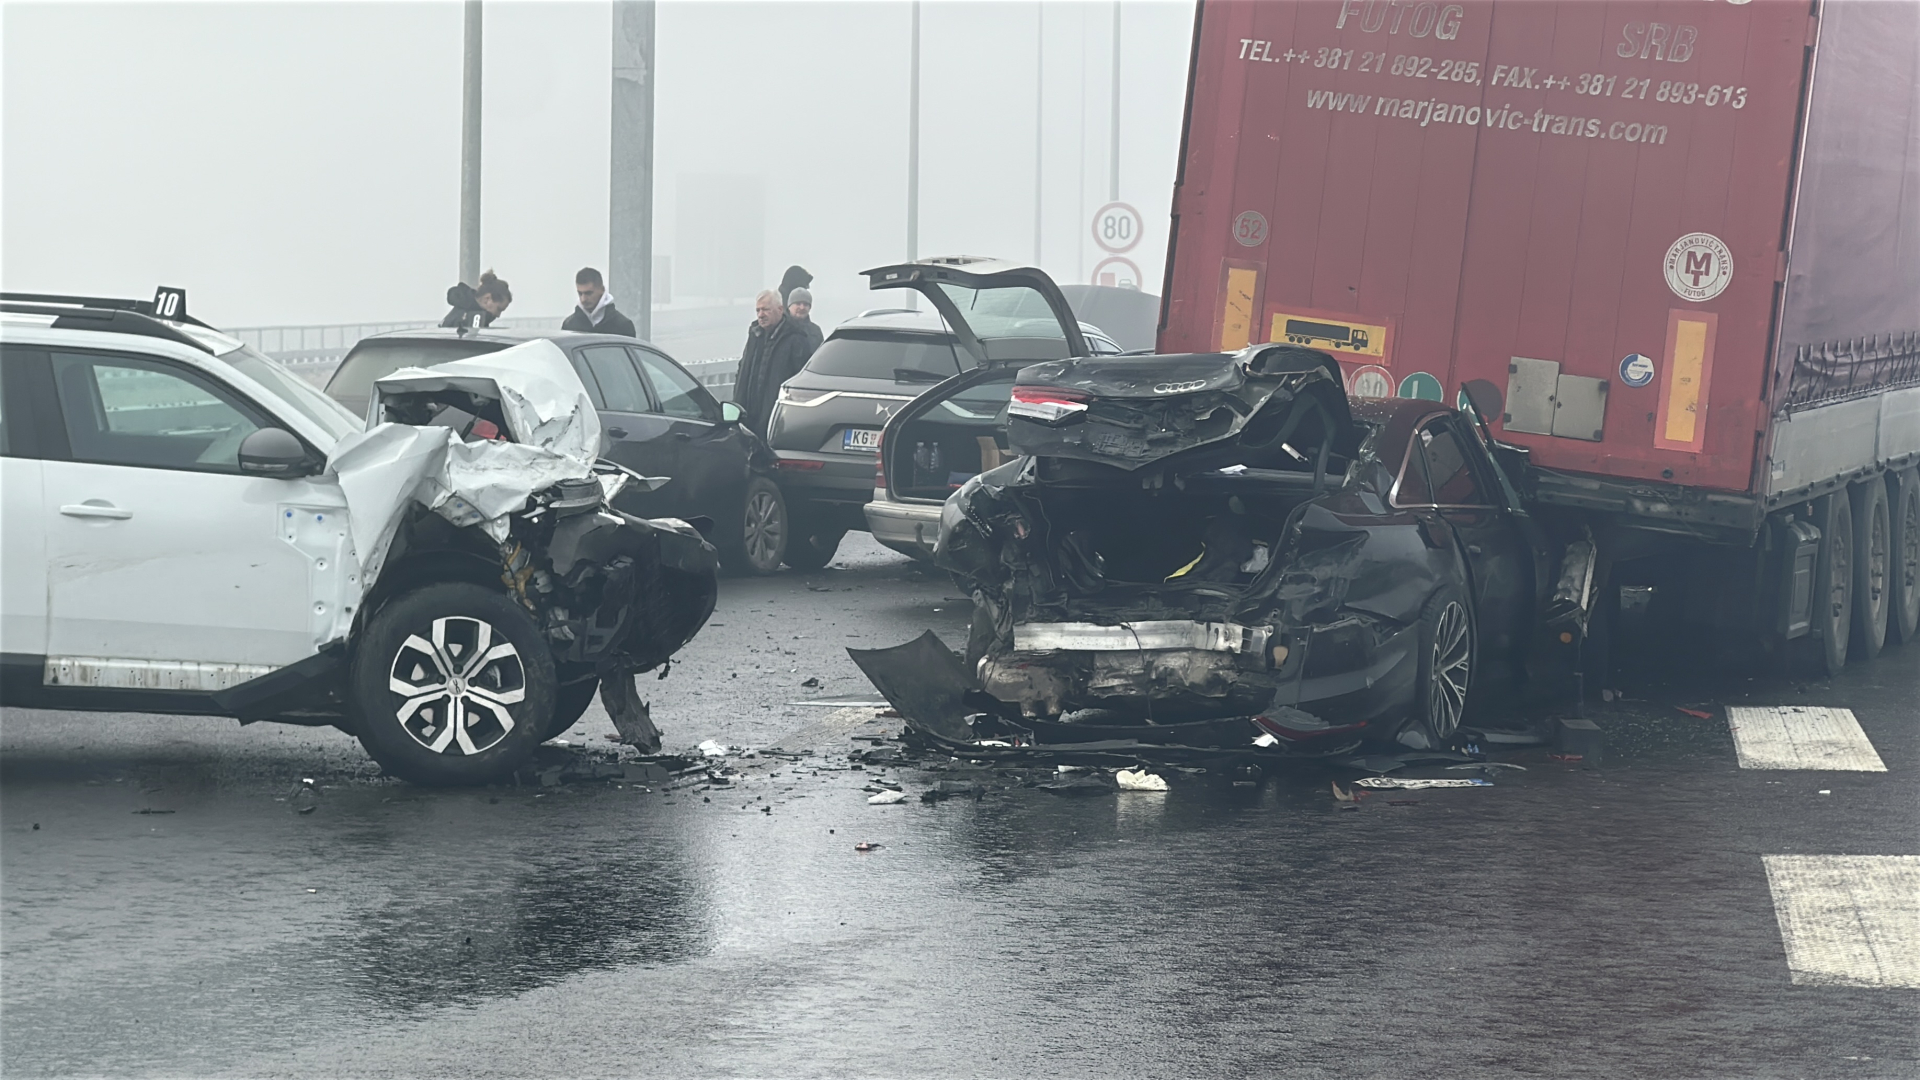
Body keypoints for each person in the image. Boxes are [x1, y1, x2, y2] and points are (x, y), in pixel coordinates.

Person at [733, 288, 814, 435]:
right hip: (748, 417)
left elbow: (800, 378)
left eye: (765, 310)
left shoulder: (796, 338)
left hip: (777, 419)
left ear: (780, 309)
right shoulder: (755, 334)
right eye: (758, 310)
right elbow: (743, 370)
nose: (761, 315)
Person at [562, 267, 637, 337]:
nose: (583, 299)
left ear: (602, 290)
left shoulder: (623, 326)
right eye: (580, 294)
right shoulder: (569, 325)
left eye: (589, 293)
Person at [441, 271, 511, 328]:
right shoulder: (475, 318)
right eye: (499, 309)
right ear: (487, 299)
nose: (498, 315)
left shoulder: (460, 311)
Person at [787, 286, 823, 351]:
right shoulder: (781, 328)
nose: (802, 307)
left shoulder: (816, 331)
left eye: (805, 304)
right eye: (798, 303)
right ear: (789, 306)